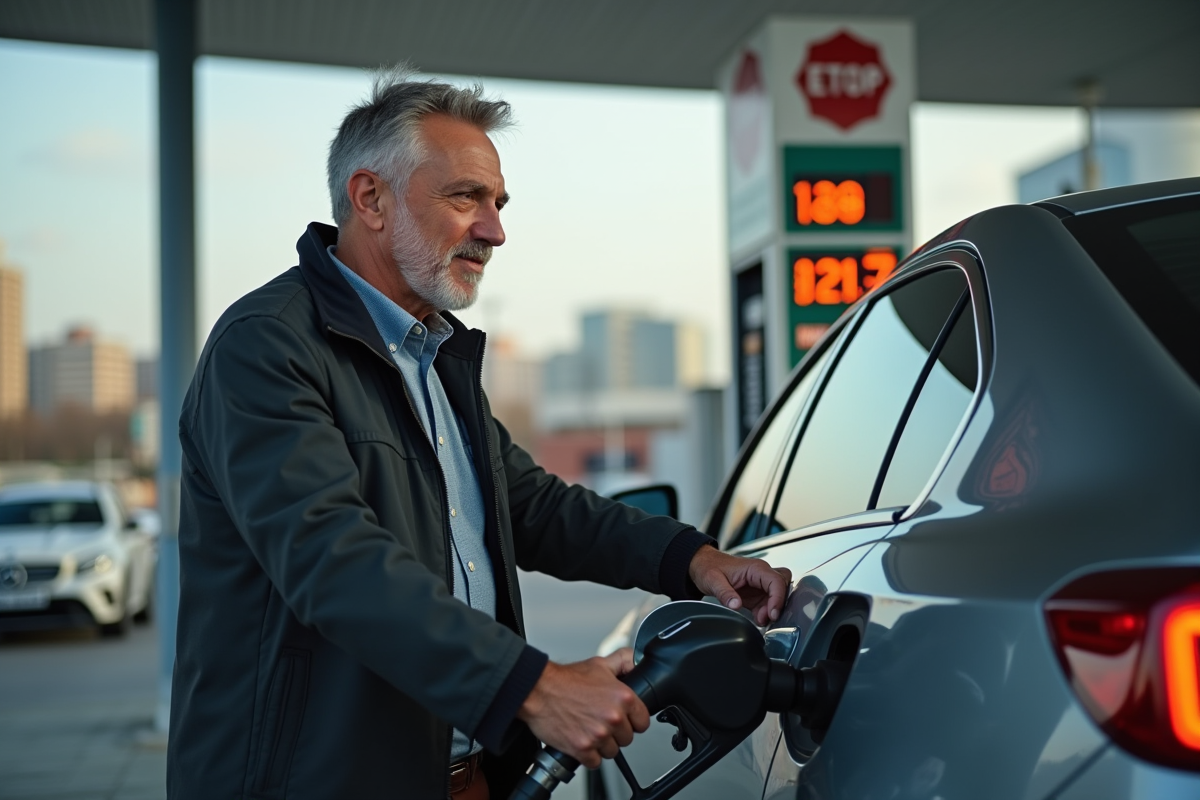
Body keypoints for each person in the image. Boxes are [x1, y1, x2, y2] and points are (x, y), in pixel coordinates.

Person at [166, 66, 791, 800]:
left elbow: (530, 504)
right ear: (370, 198)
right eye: (466, 197)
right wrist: (532, 687)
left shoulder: (435, 353)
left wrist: (691, 559)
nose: (495, 230)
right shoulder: (266, 345)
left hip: (465, 778)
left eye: (496, 202)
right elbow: (331, 561)